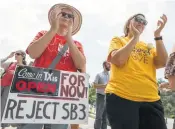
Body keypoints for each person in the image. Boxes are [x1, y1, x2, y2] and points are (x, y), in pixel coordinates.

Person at [17, 3, 86, 129]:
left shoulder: (77, 44)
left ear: (73, 22)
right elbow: (32, 53)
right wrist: (53, 30)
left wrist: (69, 38)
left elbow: (81, 65)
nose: (66, 17)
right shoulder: (43, 34)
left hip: (62, 96)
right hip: (36, 90)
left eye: (70, 16)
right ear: (56, 17)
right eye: (63, 14)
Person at [105, 13, 168, 129]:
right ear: (129, 23)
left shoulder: (148, 46)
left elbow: (163, 62)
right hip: (122, 96)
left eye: (144, 22)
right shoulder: (118, 40)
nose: (141, 23)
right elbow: (118, 60)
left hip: (151, 98)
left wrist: (157, 35)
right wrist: (135, 38)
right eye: (138, 19)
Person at [1, 50, 26, 129]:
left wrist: (15, 73)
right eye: (15, 54)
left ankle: (3, 125)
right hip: (1, 84)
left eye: (17, 54)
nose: (15, 55)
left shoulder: (24, 67)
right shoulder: (11, 63)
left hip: (10, 88)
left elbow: (24, 79)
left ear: (23, 56)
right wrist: (8, 56)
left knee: (3, 105)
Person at [93, 61, 110, 129]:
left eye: (110, 64)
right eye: (108, 64)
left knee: (105, 118)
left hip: (107, 97)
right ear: (104, 65)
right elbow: (94, 85)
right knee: (99, 117)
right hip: (100, 96)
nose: (109, 65)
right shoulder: (99, 74)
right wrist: (104, 86)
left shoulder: (111, 76)